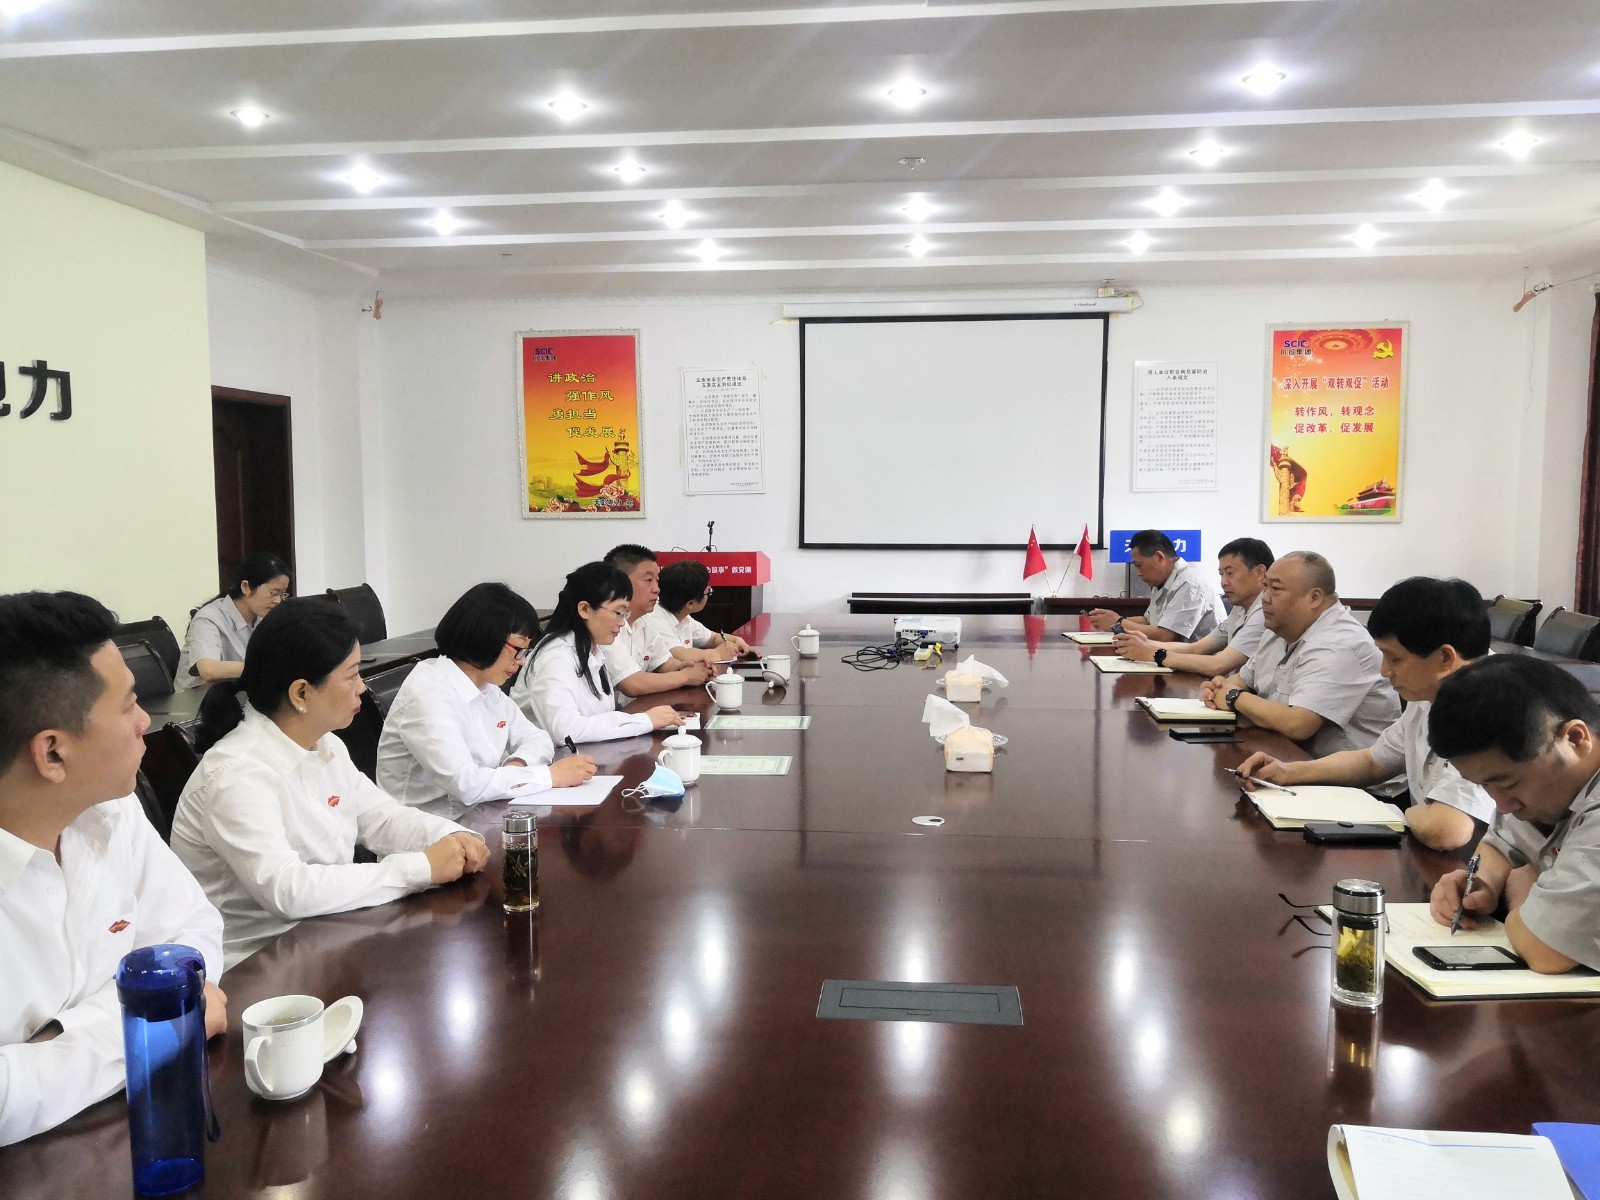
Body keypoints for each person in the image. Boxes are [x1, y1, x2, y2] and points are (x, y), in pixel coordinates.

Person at [0, 591, 225, 1148]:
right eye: (128, 706)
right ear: (52, 753)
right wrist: (160, 1029)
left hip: (123, 1133)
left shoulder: (110, 811)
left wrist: (58, 1040)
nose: (147, 720)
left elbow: (193, 933)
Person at [169, 600, 488, 968]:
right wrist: (421, 868)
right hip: (254, 968)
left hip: (327, 938)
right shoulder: (237, 775)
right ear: (301, 693)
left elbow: (382, 818)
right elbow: (288, 890)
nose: (362, 687)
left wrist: (452, 837)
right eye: (351, 676)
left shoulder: (326, 745)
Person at [1233, 576, 1496, 850]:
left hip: (1466, 862)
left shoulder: (1488, 704)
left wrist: (1397, 813)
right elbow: (1373, 761)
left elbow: (1445, 829)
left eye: (1395, 659)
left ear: (1444, 658)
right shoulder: (1432, 690)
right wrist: (1289, 771)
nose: (1384, 671)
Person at [1426, 655, 1600, 973]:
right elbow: (1499, 845)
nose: (1503, 805)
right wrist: (1481, 883)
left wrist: (1522, 892)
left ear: (1575, 739)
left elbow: (1547, 951)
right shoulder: (1541, 785)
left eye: (1508, 784)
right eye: (1484, 786)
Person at [377, 583, 598, 818]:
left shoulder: (486, 686)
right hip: (431, 829)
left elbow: (538, 738)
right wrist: (549, 776)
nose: (522, 661)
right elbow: (466, 785)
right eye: (518, 649)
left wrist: (517, 765)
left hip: (480, 815)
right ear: (485, 636)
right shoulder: (428, 692)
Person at [1199, 551, 1400, 764]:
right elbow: (1242, 680)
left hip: (1350, 777)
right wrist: (1218, 689)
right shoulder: (1277, 630)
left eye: (1275, 589)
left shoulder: (1340, 644)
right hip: (1288, 759)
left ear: (1315, 598)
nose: (1264, 597)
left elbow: (1298, 723)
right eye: (1265, 586)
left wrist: (1233, 697)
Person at [512, 562, 685, 745]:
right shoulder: (555, 657)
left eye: (625, 614)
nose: (622, 622)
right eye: (618, 612)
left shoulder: (593, 650)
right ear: (585, 609)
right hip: (549, 758)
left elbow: (600, 717)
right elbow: (566, 732)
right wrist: (644, 721)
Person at [1115, 538, 1273, 675]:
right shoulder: (1241, 607)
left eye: (1230, 573)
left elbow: (1218, 665)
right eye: (1221, 574)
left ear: (1260, 573)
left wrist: (1153, 653)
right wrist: (1146, 644)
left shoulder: (1265, 612)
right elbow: (1197, 648)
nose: (1223, 582)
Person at [599, 545, 714, 696]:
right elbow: (632, 684)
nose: (656, 589)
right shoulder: (605, 624)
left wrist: (686, 667)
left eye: (657, 580)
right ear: (620, 582)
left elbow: (663, 662)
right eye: (648, 580)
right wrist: (685, 676)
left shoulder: (644, 620)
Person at [174, 552, 292, 689]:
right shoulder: (209, 618)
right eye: (273, 593)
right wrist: (264, 667)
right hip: (195, 698)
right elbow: (208, 670)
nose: (278, 600)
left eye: (282, 594)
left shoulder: (263, 619)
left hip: (234, 693)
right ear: (246, 587)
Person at [1086, 530, 1223, 641]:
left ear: (1159, 557)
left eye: (1139, 565)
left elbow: (1166, 636)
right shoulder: (1162, 580)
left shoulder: (1190, 582)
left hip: (1202, 662)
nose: (1138, 573)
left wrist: (1118, 622)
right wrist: (1109, 619)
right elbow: (1148, 620)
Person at [639, 560, 752, 666]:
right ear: (690, 604)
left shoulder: (683, 616)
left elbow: (712, 638)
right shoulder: (655, 619)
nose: (709, 592)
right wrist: (717, 653)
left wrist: (737, 641)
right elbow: (680, 655)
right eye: (707, 591)